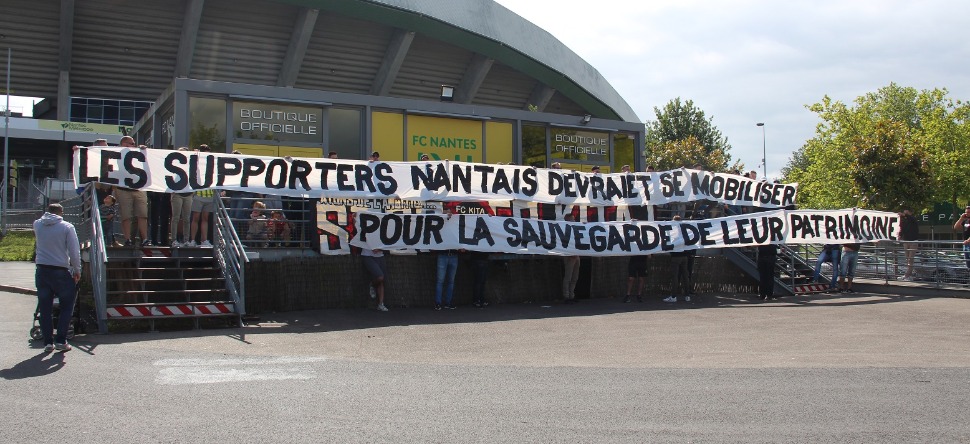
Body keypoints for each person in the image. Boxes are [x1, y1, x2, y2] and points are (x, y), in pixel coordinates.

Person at [33, 203, 81, 352]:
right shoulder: (67, 227)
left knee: (45, 307)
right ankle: (61, 340)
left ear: (48, 211)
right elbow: (74, 251)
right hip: (60, 270)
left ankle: (48, 342)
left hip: (42, 270)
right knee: (67, 306)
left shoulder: (37, 224)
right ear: (61, 212)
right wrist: (77, 270)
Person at [113, 136, 151, 246]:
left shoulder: (138, 153)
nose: (134, 145)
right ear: (124, 144)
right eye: (131, 143)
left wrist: (142, 151)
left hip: (139, 188)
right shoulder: (115, 153)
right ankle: (127, 239)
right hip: (123, 189)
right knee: (126, 215)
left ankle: (145, 239)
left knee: (142, 214)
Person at [188, 144, 215, 247]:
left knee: (205, 218)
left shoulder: (212, 163)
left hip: (209, 195)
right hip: (198, 194)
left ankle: (204, 240)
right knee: (195, 217)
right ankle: (193, 240)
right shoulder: (197, 162)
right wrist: (196, 153)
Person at [434, 206, 461, 310]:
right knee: (440, 281)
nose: (449, 213)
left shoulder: (455, 224)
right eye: (446, 212)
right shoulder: (441, 223)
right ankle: (438, 302)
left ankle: (448, 302)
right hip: (443, 255)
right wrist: (444, 215)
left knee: (450, 281)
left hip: (454, 255)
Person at [169, 148, 194, 247]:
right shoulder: (173, 165)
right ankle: (174, 240)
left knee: (187, 218)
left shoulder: (190, 164)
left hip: (188, 194)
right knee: (176, 217)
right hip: (177, 194)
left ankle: (186, 240)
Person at [664, 215, 691, 303]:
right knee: (685, 276)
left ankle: (673, 296)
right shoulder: (684, 230)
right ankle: (687, 295)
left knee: (675, 277)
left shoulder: (673, 232)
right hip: (685, 256)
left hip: (676, 256)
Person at [361, 247, 389, 311]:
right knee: (380, 276)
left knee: (382, 280)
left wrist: (380, 249)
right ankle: (372, 285)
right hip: (367, 255)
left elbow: (388, 244)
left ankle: (381, 304)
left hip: (380, 256)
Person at [561, 214, 580, 304]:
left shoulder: (576, 229)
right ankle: (566, 296)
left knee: (575, 277)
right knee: (568, 276)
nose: (574, 221)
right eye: (572, 219)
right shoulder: (564, 230)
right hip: (569, 256)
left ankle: (572, 295)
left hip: (576, 255)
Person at [898, 209, 919, 280]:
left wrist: (905, 215)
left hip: (913, 241)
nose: (905, 212)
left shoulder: (913, 219)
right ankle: (909, 274)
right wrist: (899, 236)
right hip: (906, 241)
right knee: (907, 259)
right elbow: (902, 229)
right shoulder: (904, 221)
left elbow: (911, 218)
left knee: (910, 259)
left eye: (907, 211)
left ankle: (907, 275)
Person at [954, 205, 970, 277]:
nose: (967, 214)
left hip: (968, 242)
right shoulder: (965, 220)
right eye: (966, 212)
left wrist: (968, 240)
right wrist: (961, 218)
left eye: (969, 212)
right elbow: (956, 227)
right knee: (968, 264)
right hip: (966, 244)